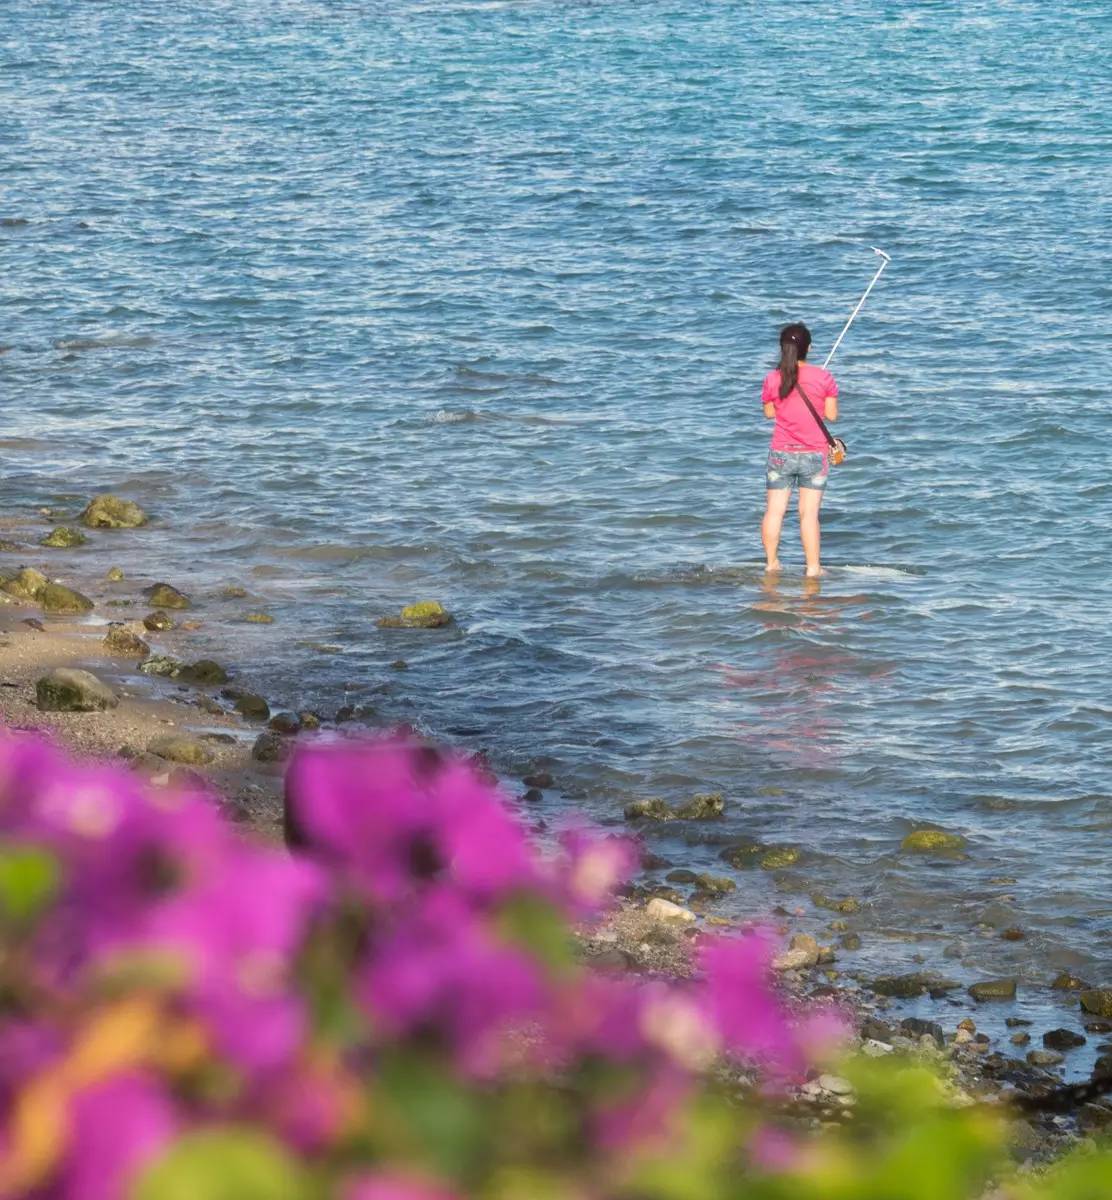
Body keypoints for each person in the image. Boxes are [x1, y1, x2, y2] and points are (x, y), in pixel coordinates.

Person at [759, 322, 839, 577]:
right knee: (808, 514)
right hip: (814, 455)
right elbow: (831, 416)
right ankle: (813, 569)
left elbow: (769, 413)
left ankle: (772, 563)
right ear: (810, 348)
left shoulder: (773, 378)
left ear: (782, 349)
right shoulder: (823, 377)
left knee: (774, 511)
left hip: (781, 453)